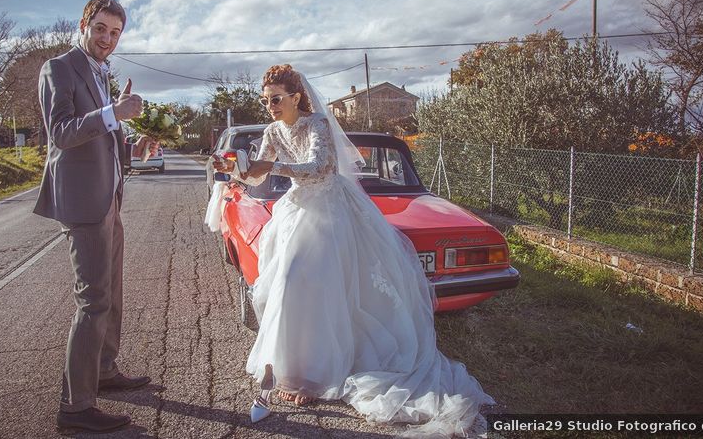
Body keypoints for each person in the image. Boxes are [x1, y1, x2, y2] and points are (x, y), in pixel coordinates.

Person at [211, 64, 494, 437]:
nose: (270, 106)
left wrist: (272, 164)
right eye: (266, 100)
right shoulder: (271, 130)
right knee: (289, 282)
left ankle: (318, 372)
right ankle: (297, 369)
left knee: (322, 283)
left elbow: (322, 167)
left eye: (276, 99)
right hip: (296, 211)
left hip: (330, 210)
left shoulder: (318, 125)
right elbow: (259, 174)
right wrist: (233, 170)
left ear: (296, 96)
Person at [34, 0, 155, 433]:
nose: (107, 39)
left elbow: (105, 140)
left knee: (113, 292)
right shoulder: (59, 68)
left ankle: (104, 371)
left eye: (115, 33)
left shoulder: (103, 74)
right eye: (101, 28)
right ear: (84, 24)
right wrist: (113, 112)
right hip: (82, 202)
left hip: (110, 198)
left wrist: (136, 147)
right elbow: (62, 133)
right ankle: (76, 407)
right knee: (93, 300)